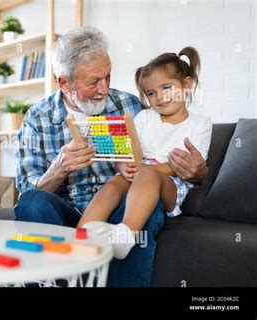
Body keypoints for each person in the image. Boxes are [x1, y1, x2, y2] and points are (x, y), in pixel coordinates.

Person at [15, 27, 209, 287]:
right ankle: (66, 270)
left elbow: (158, 151)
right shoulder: (37, 118)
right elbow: (26, 189)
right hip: (70, 214)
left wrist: (199, 171)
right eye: (94, 81)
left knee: (144, 203)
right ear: (64, 82)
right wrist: (58, 170)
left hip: (122, 211)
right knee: (32, 203)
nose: (104, 89)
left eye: (108, 77)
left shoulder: (130, 106)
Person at [78, 47, 212, 260]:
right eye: (151, 93)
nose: (158, 97)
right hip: (139, 172)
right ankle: (80, 238)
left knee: (147, 175)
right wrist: (123, 165)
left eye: (166, 88)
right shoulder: (144, 117)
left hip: (170, 182)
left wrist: (144, 169)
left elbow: (181, 166)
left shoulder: (200, 123)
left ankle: (126, 234)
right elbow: (128, 151)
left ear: (186, 85)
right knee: (111, 185)